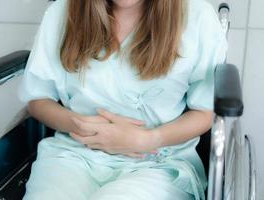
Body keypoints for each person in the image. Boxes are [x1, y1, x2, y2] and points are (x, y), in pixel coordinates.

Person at [18, 0, 228, 199]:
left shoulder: (196, 17)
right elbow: (38, 98)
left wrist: (148, 139)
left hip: (159, 163)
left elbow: (206, 111)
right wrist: (79, 125)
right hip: (74, 155)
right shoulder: (64, 12)